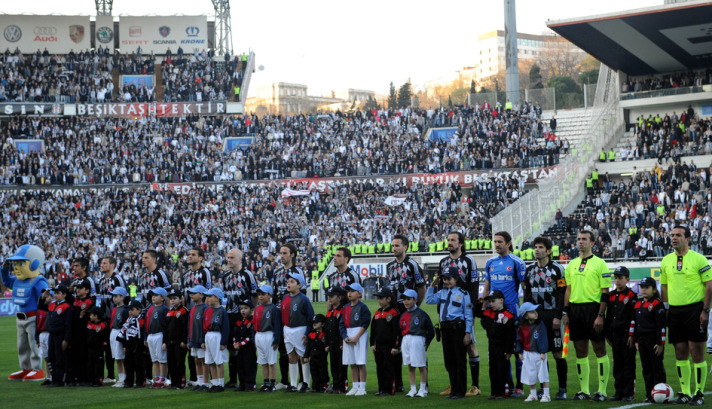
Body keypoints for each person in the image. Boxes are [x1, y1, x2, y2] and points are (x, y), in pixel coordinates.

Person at [660, 225, 712, 405]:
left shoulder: (699, 259)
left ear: (687, 239)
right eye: (672, 235)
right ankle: (685, 393)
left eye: (678, 235)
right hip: (674, 311)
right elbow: (664, 286)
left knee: (697, 353)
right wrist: (665, 309)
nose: (674, 238)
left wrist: (705, 311)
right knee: (680, 352)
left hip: (695, 310)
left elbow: (709, 285)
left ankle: (699, 394)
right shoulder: (666, 260)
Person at [562, 230, 611, 401]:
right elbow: (568, 290)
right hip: (575, 311)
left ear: (592, 243)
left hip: (593, 310)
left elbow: (605, 292)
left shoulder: (600, 264)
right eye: (579, 239)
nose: (580, 242)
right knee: (580, 351)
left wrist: (600, 315)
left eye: (584, 239)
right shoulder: (571, 265)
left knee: (599, 349)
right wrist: (566, 312)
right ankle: (584, 391)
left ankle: (602, 391)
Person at [522, 236, 567, 400]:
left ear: (548, 251)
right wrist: (526, 314)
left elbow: (562, 294)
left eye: (540, 247)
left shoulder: (557, 269)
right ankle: (542, 390)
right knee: (539, 354)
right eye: (535, 247)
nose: (536, 250)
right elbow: (526, 294)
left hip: (551, 315)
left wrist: (558, 316)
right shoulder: (529, 270)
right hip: (536, 317)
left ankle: (562, 389)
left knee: (557, 354)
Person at [438, 232, 480, 397]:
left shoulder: (469, 261)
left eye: (453, 240)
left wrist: (472, 310)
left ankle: (474, 385)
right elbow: (441, 288)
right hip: (448, 313)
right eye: (448, 240)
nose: (449, 242)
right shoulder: (443, 262)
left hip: (464, 311)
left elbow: (474, 285)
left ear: (461, 243)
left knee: (469, 346)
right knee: (451, 352)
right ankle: (454, 384)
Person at [484, 231, 526, 397]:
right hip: (495, 312)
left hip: (512, 310)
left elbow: (525, 286)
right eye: (495, 242)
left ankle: (520, 386)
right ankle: (506, 385)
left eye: (500, 242)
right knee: (501, 350)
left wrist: (525, 309)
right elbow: (487, 287)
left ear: (508, 243)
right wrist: (485, 308)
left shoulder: (517, 262)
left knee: (516, 349)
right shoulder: (490, 262)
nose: (497, 245)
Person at [425, 266, 472, 399]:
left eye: (449, 279)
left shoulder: (463, 293)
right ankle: (453, 389)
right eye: (444, 279)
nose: (446, 282)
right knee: (449, 361)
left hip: (458, 329)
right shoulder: (442, 292)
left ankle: (460, 391)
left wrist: (468, 333)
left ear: (456, 279)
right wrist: (432, 285)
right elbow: (428, 300)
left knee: (459, 360)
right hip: (445, 329)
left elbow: (468, 314)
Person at [386, 234, 425, 392]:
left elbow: (421, 287)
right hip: (395, 310)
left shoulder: (412, 265)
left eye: (397, 245)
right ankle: (399, 383)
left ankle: (423, 384)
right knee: (396, 346)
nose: (394, 248)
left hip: (409, 309)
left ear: (405, 247)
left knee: (415, 347)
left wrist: (416, 307)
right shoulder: (389, 266)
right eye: (393, 246)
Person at [272, 243, 306, 390]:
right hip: (280, 314)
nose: (282, 256)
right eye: (280, 253)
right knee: (282, 349)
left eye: (285, 253)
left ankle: (301, 381)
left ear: (292, 255)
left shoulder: (298, 271)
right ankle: (285, 380)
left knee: (297, 349)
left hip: (294, 315)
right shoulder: (277, 272)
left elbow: (302, 293)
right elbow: (274, 294)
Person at [223, 248, 257, 388]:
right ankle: (233, 379)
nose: (229, 260)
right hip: (230, 315)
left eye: (232, 257)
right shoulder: (226, 277)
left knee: (244, 348)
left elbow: (254, 295)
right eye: (228, 257)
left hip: (242, 316)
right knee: (232, 347)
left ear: (240, 259)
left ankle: (246, 380)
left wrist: (249, 313)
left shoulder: (247, 275)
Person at [476, 290, 516, 399]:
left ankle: (502, 392)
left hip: (503, 346)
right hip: (492, 345)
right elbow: (476, 312)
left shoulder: (508, 315)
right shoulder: (488, 312)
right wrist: (480, 303)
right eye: (490, 302)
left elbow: (510, 335)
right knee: (492, 369)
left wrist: (509, 350)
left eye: (493, 301)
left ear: (501, 300)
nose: (491, 304)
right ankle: (494, 392)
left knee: (502, 369)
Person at [604, 266, 637, 402]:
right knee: (617, 364)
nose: (617, 281)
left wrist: (632, 335)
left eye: (620, 278)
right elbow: (609, 316)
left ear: (627, 279)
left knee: (628, 364)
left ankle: (629, 393)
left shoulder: (631, 296)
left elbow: (633, 317)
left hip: (627, 335)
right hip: (615, 335)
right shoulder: (611, 296)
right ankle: (618, 392)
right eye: (616, 278)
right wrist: (608, 334)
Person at [632, 277, 667, 403]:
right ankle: (649, 395)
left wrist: (660, 343)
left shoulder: (657, 304)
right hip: (641, 341)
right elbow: (635, 323)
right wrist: (636, 340)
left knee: (656, 368)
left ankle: (661, 394)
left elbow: (661, 326)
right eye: (642, 287)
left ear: (653, 289)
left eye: (647, 287)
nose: (644, 290)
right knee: (646, 369)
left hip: (653, 341)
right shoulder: (638, 303)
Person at [280, 272, 314, 393]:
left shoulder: (303, 299)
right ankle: (293, 384)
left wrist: (307, 333)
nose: (289, 283)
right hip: (287, 330)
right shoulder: (285, 298)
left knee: (303, 357)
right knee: (291, 357)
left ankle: (306, 383)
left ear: (299, 285)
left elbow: (311, 317)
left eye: (292, 282)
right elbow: (282, 316)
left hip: (300, 329)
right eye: (288, 281)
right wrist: (284, 329)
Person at [399, 289, 434, 398]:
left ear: (415, 300)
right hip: (406, 340)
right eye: (404, 299)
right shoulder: (403, 315)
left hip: (418, 339)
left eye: (409, 299)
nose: (406, 302)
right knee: (410, 365)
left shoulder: (422, 314)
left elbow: (431, 330)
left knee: (421, 365)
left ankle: (423, 389)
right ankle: (413, 389)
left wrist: (427, 343)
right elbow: (400, 331)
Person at [97, 256, 125, 384]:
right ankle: (111, 375)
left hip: (117, 320)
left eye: (104, 263)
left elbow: (126, 296)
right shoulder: (101, 280)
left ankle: (123, 376)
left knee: (119, 348)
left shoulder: (117, 279)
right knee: (107, 348)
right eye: (101, 263)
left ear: (112, 265)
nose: (101, 265)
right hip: (105, 319)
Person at [340, 283, 371, 396]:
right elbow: (342, 324)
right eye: (348, 291)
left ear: (359, 293)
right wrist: (345, 337)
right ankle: (355, 386)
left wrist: (357, 336)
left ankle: (362, 387)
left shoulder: (363, 307)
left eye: (352, 291)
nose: (349, 293)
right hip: (348, 333)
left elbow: (366, 322)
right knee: (352, 362)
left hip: (360, 333)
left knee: (360, 361)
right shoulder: (345, 308)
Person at [517, 302, 551, 402]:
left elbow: (543, 338)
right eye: (532, 312)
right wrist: (519, 352)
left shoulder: (540, 325)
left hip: (539, 354)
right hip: (527, 353)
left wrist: (543, 352)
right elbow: (519, 339)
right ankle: (533, 395)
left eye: (536, 311)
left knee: (543, 374)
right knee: (530, 375)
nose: (536, 313)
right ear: (526, 316)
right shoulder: (521, 327)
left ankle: (546, 394)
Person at [370, 287, 400, 396]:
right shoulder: (377, 312)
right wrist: (372, 343)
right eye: (378, 298)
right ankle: (381, 388)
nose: (379, 301)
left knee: (389, 367)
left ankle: (389, 389)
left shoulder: (394, 312)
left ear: (388, 299)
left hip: (389, 345)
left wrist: (395, 346)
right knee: (380, 367)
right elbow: (373, 329)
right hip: (379, 345)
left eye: (381, 298)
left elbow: (397, 331)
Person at [41, 285, 72, 387]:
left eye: (58, 293)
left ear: (64, 295)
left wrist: (66, 339)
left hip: (60, 335)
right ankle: (54, 379)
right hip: (52, 335)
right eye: (55, 293)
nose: (56, 295)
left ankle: (61, 380)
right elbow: (41, 306)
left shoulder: (66, 307)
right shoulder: (52, 305)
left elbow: (68, 325)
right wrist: (43, 297)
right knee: (51, 357)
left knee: (60, 358)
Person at [253, 284, 282, 393]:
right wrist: (254, 338)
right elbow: (254, 324)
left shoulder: (274, 309)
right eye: (259, 294)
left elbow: (277, 325)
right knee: (263, 361)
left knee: (271, 361)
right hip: (259, 335)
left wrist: (276, 340)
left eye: (263, 294)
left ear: (270, 295)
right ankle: (266, 383)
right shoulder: (257, 308)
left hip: (269, 335)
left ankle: (273, 383)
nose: (260, 296)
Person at [202, 287, 230, 392]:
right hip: (208, 336)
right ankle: (214, 383)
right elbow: (203, 326)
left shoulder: (222, 311)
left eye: (210, 296)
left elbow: (226, 328)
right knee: (211, 361)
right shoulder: (207, 310)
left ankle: (221, 384)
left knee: (219, 361)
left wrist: (223, 342)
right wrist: (203, 340)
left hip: (217, 336)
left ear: (217, 298)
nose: (207, 299)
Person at [69, 280, 94, 385]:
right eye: (77, 288)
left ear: (87, 290)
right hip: (74, 332)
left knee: (84, 355)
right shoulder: (75, 300)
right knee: (75, 355)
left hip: (83, 333)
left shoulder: (90, 302)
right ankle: (76, 377)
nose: (78, 290)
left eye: (80, 288)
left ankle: (85, 378)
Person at [117, 300, 146, 388]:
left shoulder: (141, 320)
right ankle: (128, 381)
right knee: (128, 364)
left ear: (139, 310)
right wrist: (125, 345)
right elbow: (124, 332)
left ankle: (140, 382)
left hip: (138, 345)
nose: (130, 311)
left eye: (132, 309)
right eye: (129, 309)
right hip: (129, 345)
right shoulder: (128, 320)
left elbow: (142, 333)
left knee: (139, 364)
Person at [164, 288, 189, 390]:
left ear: (181, 299)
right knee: (171, 363)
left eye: (175, 298)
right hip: (170, 342)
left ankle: (181, 383)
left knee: (179, 363)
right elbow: (166, 328)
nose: (172, 300)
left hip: (179, 342)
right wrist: (164, 341)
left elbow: (185, 328)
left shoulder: (184, 311)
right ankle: (173, 383)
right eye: (171, 299)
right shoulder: (169, 312)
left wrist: (184, 340)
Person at [325, 286, 348, 394]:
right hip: (332, 342)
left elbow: (343, 327)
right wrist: (327, 343)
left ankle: (342, 386)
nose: (329, 298)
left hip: (340, 343)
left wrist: (342, 342)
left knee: (341, 365)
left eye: (332, 296)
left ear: (339, 298)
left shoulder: (343, 310)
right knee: (333, 365)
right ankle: (335, 384)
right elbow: (327, 329)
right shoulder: (330, 311)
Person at [145, 287, 168, 389]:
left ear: (162, 298)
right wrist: (146, 337)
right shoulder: (150, 309)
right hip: (151, 335)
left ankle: (162, 380)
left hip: (159, 335)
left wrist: (165, 341)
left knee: (162, 360)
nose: (153, 297)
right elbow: (147, 324)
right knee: (154, 360)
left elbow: (166, 326)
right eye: (152, 295)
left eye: (156, 295)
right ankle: (156, 379)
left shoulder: (164, 309)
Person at [187, 285, 209, 391]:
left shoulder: (205, 308)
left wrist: (203, 339)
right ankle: (199, 382)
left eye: (194, 293)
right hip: (193, 339)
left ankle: (205, 383)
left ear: (201, 295)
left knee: (203, 361)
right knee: (196, 360)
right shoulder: (192, 309)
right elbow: (189, 326)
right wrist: (189, 339)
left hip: (201, 341)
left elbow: (205, 326)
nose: (192, 295)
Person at [232, 300, 257, 391]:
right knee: (240, 366)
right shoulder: (239, 321)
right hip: (240, 349)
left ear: (251, 310)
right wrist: (235, 343)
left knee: (249, 366)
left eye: (245, 308)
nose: (243, 311)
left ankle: (250, 384)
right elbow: (235, 334)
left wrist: (240, 344)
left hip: (249, 348)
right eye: (241, 308)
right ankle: (242, 384)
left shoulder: (252, 321)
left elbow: (250, 336)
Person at [108, 287, 129, 387]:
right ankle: (120, 378)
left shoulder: (125, 310)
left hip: (120, 332)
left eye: (116, 296)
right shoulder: (115, 309)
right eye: (113, 296)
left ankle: (125, 378)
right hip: (113, 332)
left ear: (122, 297)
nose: (114, 298)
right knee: (117, 357)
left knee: (122, 357)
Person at [304, 314, 329, 392]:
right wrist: (306, 356)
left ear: (323, 324)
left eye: (317, 322)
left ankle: (323, 385)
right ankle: (315, 386)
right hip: (313, 357)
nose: (314, 324)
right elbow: (308, 347)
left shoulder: (324, 334)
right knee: (314, 372)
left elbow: (326, 343)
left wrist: (327, 347)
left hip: (321, 357)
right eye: (313, 322)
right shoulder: (311, 334)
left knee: (322, 371)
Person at [86, 307, 109, 386]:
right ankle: (90, 380)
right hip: (89, 348)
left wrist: (103, 346)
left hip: (98, 349)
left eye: (91, 315)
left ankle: (98, 380)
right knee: (90, 364)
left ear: (96, 316)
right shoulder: (89, 323)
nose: (89, 316)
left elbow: (105, 338)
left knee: (98, 365)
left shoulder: (103, 325)